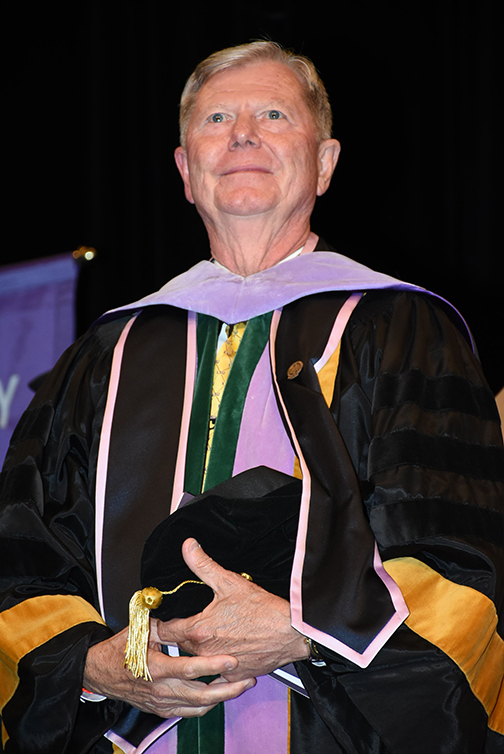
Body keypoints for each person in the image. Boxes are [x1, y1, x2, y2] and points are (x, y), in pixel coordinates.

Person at [1, 40, 503, 754]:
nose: (242, 134)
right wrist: (90, 666)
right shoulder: (103, 355)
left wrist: (307, 631)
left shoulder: (403, 330)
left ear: (325, 162)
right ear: (184, 170)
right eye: (215, 120)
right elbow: (23, 552)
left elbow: (467, 563)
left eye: (273, 114)